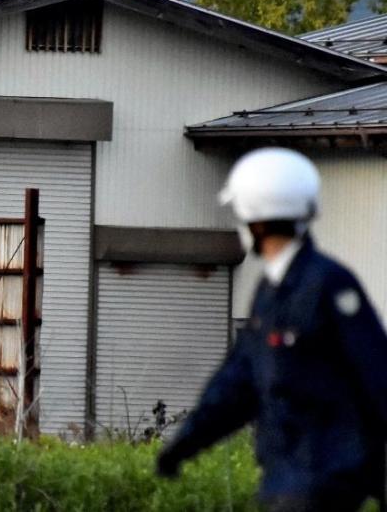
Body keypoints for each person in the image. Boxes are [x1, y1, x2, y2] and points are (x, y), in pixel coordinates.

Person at [156, 147, 387, 512]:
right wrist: (184, 444)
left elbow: (378, 377)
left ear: (257, 222)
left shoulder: (328, 284)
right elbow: (238, 383)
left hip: (327, 479)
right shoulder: (270, 292)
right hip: (284, 479)